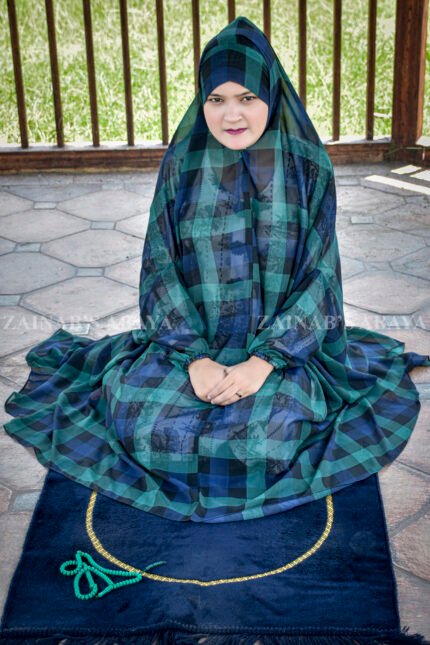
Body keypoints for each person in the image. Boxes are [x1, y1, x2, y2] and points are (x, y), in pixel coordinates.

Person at [3, 16, 429, 524]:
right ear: (201, 101)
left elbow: (321, 280)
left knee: (262, 441)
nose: (231, 114)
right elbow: (159, 269)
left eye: (247, 97)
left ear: (270, 94)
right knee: (152, 429)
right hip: (189, 342)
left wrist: (263, 363)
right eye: (216, 98)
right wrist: (195, 360)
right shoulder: (182, 166)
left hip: (285, 351)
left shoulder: (308, 166)